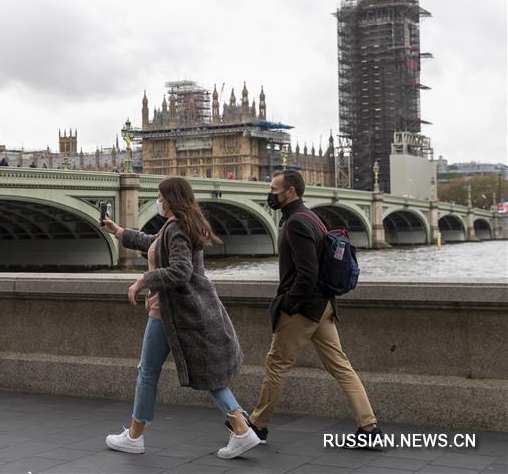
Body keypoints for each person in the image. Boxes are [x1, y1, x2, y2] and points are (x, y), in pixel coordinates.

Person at [100, 177, 260, 459]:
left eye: (160, 197)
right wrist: (119, 231)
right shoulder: (177, 226)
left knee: (151, 374)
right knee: (201, 374)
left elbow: (180, 271)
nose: (158, 202)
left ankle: (137, 437)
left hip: (170, 314)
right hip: (178, 313)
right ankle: (240, 428)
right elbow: (154, 244)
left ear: (171, 199)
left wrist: (143, 279)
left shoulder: (176, 228)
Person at [249, 169, 380, 443]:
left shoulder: (296, 222)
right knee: (341, 366)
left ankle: (257, 425)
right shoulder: (312, 217)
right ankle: (369, 428)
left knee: (277, 364)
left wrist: (289, 304)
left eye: (274, 189)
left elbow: (307, 273)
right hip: (323, 307)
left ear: (290, 191)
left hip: (304, 309)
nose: (270, 194)